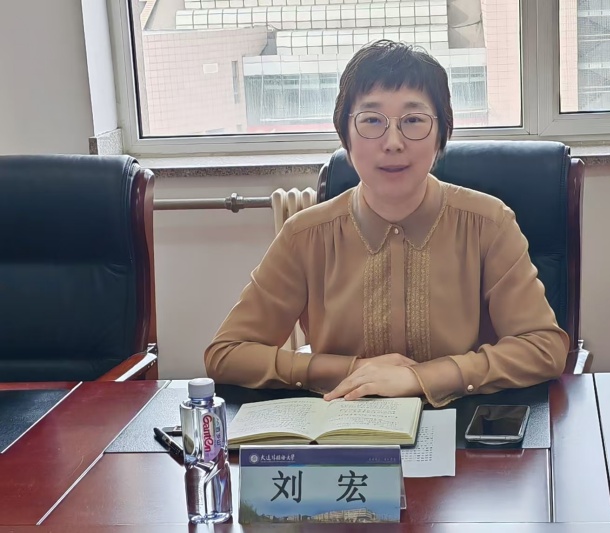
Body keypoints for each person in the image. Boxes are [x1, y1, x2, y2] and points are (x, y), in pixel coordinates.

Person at [205, 40, 569, 407]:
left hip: (461, 426)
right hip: (343, 425)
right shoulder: (305, 235)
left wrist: (421, 377)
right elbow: (226, 353)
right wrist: (350, 370)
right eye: (372, 120)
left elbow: (543, 348)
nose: (393, 142)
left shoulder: (488, 224)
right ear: (345, 135)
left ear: (442, 133)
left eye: (413, 120)